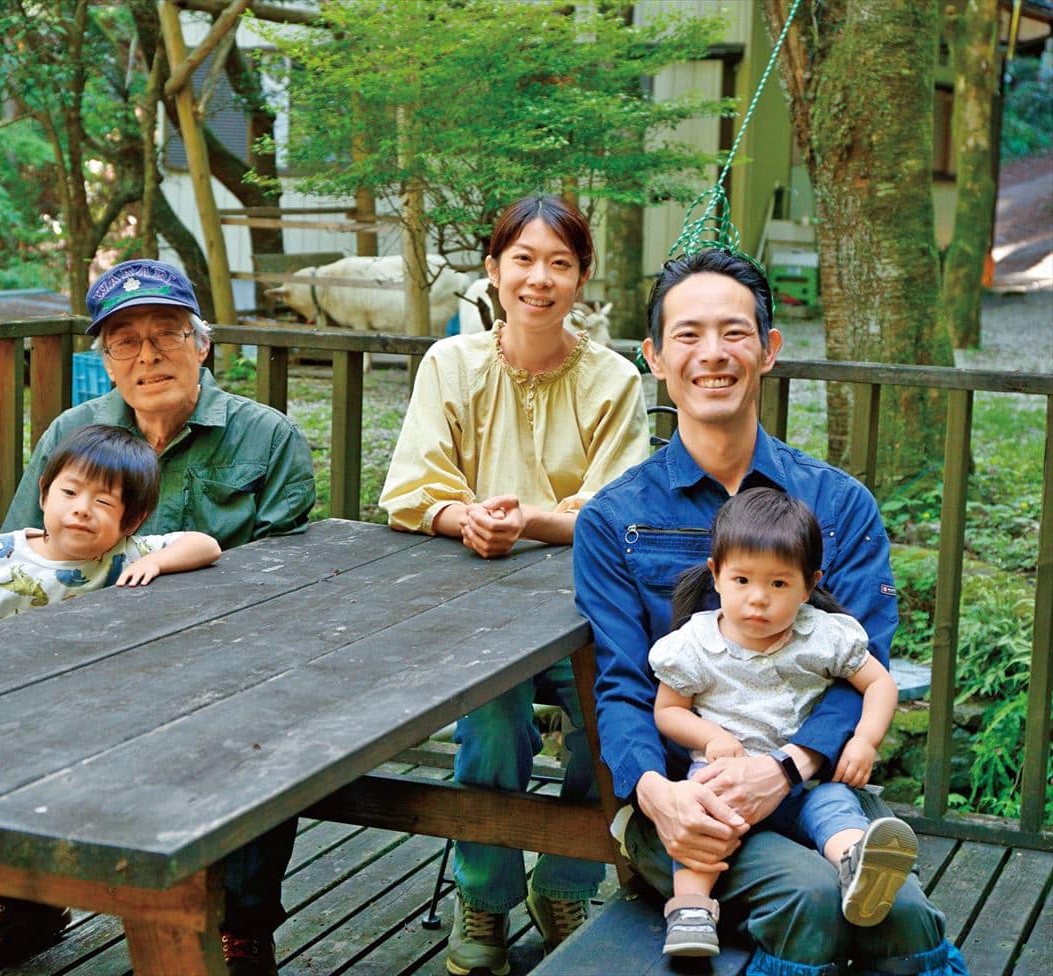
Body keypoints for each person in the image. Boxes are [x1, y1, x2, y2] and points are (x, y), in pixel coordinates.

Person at [573, 248, 969, 975]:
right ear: (655, 358)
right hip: (690, 801)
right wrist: (658, 797)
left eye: (734, 332)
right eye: (687, 335)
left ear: (768, 350)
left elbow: (862, 670)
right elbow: (624, 685)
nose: (712, 354)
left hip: (815, 787)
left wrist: (787, 768)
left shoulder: (839, 506)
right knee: (818, 900)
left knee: (906, 913)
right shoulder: (614, 519)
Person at [0, 259, 316, 976]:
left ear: (203, 342)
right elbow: (25, 555)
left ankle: (240, 924)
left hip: (217, 661)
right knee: (13, 706)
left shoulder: (270, 438)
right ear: (103, 357)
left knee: (264, 724)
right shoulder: (74, 430)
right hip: (82, 660)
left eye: (166, 333)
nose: (147, 354)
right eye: (123, 340)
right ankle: (24, 902)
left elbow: (281, 582)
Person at [379, 196, 649, 975]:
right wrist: (463, 517)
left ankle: (564, 882)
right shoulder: (450, 362)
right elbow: (411, 489)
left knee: (611, 722)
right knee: (491, 723)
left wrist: (526, 519)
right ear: (493, 270)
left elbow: (613, 509)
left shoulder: (613, 378)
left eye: (559, 262)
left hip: (584, 611)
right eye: (522, 260)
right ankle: (485, 899)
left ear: (583, 277)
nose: (540, 278)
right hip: (472, 612)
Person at [645, 487, 915, 957]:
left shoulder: (822, 635)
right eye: (743, 579)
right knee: (706, 817)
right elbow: (668, 711)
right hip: (725, 778)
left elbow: (879, 683)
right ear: (716, 575)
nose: (758, 600)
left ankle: (858, 867)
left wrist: (865, 741)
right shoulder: (695, 644)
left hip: (803, 784)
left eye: (779, 584)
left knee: (836, 807)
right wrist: (711, 738)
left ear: (809, 585)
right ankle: (690, 908)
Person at [0, 424, 222, 627]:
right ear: (44, 493)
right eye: (70, 493)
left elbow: (207, 546)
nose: (82, 509)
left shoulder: (129, 552)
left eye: (103, 502)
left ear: (132, 520)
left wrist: (156, 562)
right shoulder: (4, 552)